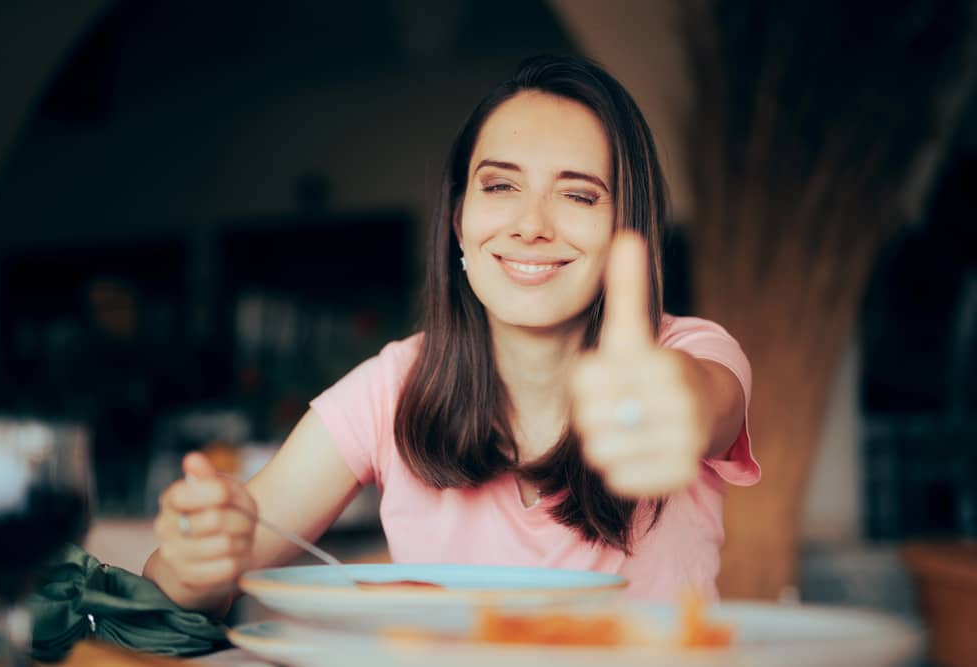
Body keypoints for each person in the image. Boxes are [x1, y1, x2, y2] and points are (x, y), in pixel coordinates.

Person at [143, 54, 760, 617]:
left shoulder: (690, 352)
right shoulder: (392, 386)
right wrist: (195, 560)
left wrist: (666, 405)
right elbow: (191, 577)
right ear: (460, 220)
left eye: (577, 194)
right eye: (500, 185)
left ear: (627, 227)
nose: (531, 225)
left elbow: (702, 402)